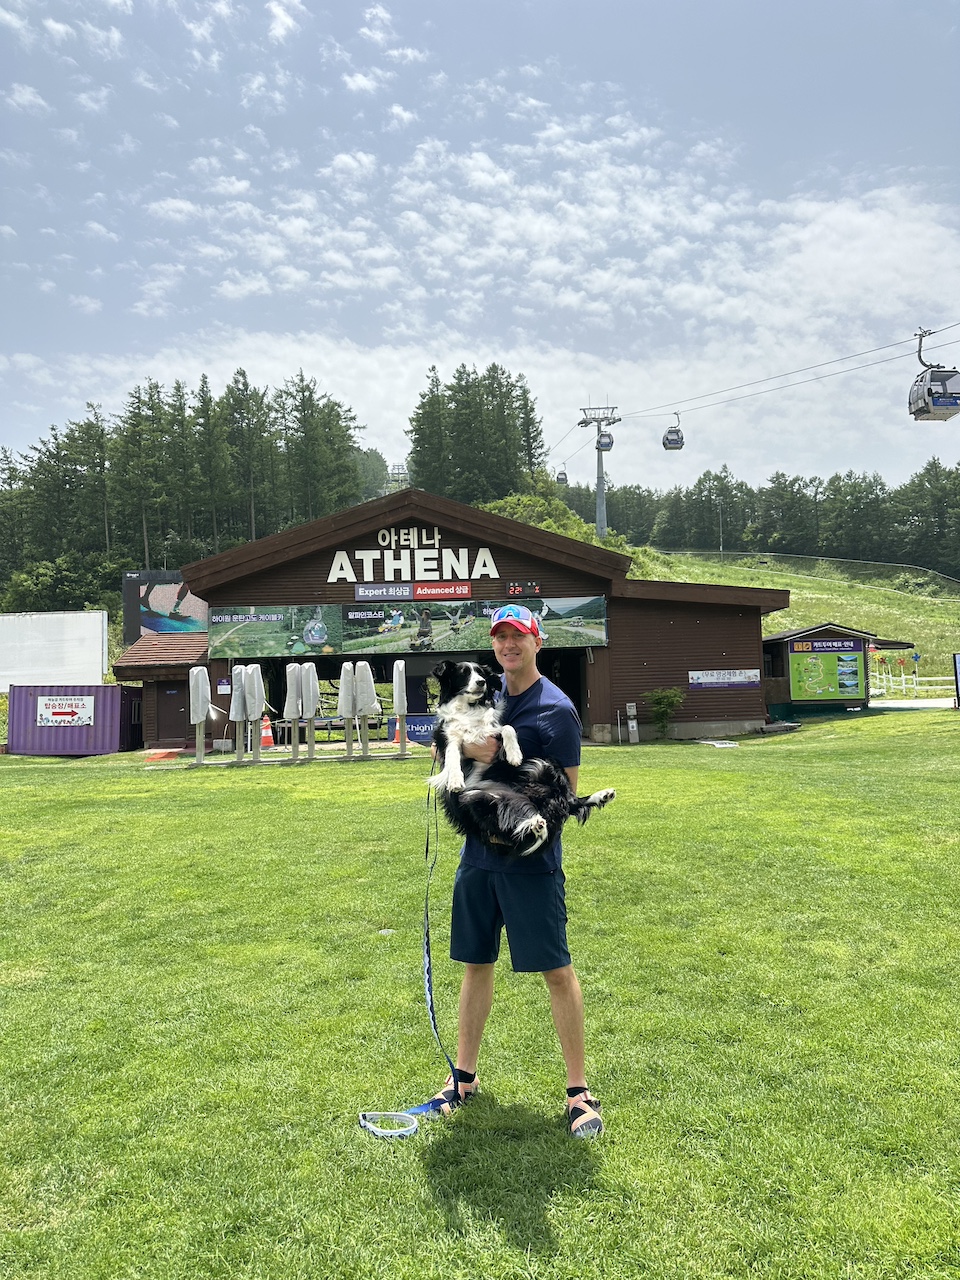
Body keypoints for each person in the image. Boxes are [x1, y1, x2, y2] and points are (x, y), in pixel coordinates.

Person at [424, 602, 603, 1138]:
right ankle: (463, 1079)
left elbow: (565, 793)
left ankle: (578, 1093)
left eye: (518, 637)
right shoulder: (485, 696)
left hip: (530, 864)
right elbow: (445, 752)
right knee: (475, 964)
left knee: (555, 969)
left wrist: (496, 759)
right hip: (477, 860)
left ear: (537, 641)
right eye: (500, 639)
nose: (508, 647)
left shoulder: (557, 709)